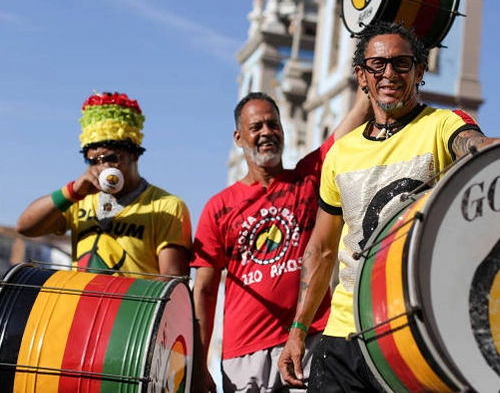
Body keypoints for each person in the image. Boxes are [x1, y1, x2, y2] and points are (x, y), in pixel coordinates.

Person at [278, 21, 500, 392]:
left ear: (420, 70)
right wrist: (298, 330)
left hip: (415, 334)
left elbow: (472, 144)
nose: (389, 73)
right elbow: (322, 249)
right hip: (342, 339)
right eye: (377, 65)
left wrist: (490, 149)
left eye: (401, 63)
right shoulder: (341, 153)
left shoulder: (442, 125)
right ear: (361, 76)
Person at [190, 89, 372, 393]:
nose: (267, 133)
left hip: (309, 340)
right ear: (238, 138)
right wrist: (198, 365)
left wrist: (367, 69)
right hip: (243, 354)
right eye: (256, 127)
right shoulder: (218, 207)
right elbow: (205, 291)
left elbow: (358, 116)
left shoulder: (307, 178)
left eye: (273, 124)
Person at [16, 91, 192, 278]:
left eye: (110, 158)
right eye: (92, 161)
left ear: (134, 155)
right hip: (83, 304)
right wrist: (73, 191)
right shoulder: (80, 199)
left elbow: (172, 277)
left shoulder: (167, 206)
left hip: (131, 306)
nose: (102, 167)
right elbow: (26, 227)